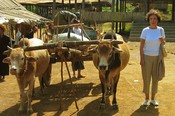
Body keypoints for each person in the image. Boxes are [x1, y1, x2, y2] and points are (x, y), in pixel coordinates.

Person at [140, 9, 166, 106]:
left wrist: (162, 40)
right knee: (146, 78)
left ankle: (153, 99)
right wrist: (141, 58)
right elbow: (141, 46)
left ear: (158, 19)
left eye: (155, 18)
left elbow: (163, 43)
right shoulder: (145, 30)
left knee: (155, 78)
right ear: (148, 19)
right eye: (151, 18)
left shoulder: (161, 30)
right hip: (146, 57)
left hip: (158, 57)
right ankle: (146, 99)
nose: (153, 20)